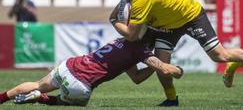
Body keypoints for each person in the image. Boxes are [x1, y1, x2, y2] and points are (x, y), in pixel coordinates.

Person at [109, 0, 243, 106]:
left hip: (190, 15)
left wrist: (113, 20)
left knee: (219, 55)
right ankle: (172, 99)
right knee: (162, 64)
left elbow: (131, 34)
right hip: (167, 25)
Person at [0, 38, 183, 106]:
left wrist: (151, 65)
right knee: (72, 102)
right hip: (80, 84)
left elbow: (135, 77)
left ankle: (2, 98)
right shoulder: (142, 51)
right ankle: (40, 98)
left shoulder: (122, 40)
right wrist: (178, 69)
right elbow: (166, 70)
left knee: (38, 84)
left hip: (69, 66)